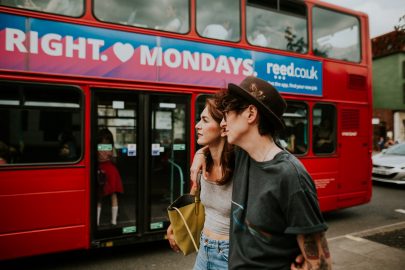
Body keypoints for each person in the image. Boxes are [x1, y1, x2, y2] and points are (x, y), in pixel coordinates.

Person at [191, 76, 331, 270]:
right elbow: (214, 145)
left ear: (250, 113)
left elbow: (320, 262)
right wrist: (200, 154)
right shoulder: (242, 157)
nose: (223, 124)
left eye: (228, 114)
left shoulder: (290, 176)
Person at [167, 98, 234, 269]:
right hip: (204, 249)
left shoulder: (241, 168)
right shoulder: (203, 165)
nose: (197, 125)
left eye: (205, 120)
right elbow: (194, 199)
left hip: (229, 254)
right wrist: (176, 225)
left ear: (223, 127)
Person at [97, 128, 124, 226]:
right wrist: (109, 155)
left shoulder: (97, 147)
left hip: (102, 171)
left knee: (101, 196)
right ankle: (113, 221)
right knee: (111, 196)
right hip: (110, 171)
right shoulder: (112, 148)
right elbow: (115, 161)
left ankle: (100, 222)